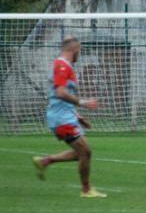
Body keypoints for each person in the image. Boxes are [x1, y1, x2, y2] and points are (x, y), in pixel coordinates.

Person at [32, 36, 106, 198]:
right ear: (74, 50)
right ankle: (86, 190)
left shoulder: (65, 67)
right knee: (85, 152)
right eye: (79, 51)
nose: (79, 54)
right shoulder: (61, 66)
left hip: (66, 116)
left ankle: (45, 161)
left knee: (82, 153)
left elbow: (62, 96)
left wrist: (77, 116)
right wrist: (83, 102)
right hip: (61, 118)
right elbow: (60, 92)